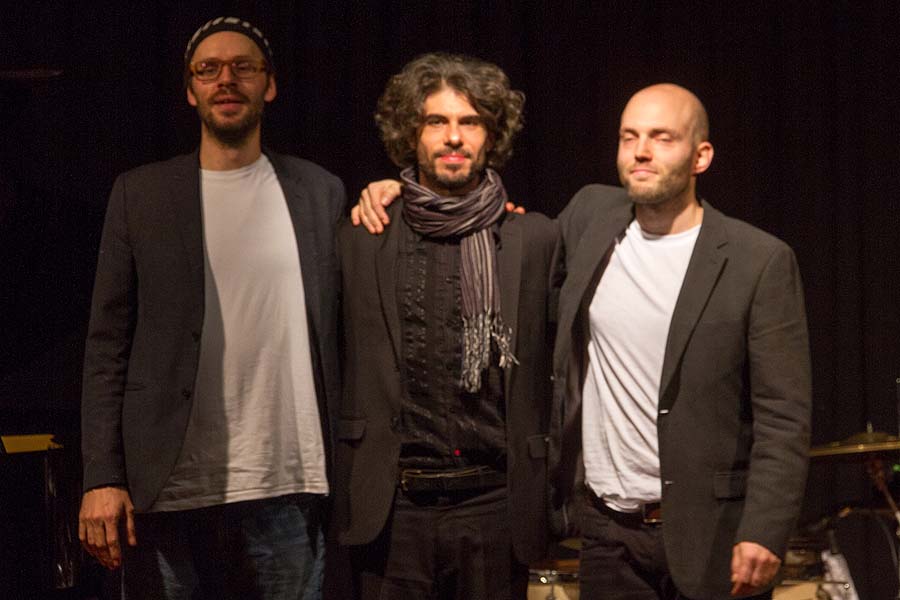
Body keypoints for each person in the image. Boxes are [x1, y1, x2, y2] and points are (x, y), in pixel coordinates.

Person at [352, 83, 812, 599]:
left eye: (662, 138)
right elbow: (496, 228)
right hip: (606, 533)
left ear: (700, 156)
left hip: (711, 531)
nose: (641, 151)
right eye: (629, 137)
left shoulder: (758, 259)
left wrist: (765, 528)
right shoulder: (590, 217)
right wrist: (399, 189)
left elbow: (783, 414)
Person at [78, 16, 345, 599]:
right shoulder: (140, 194)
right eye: (209, 69)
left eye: (243, 67)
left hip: (289, 488)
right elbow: (106, 347)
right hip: (168, 491)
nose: (226, 80)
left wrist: (390, 193)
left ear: (269, 84)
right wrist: (101, 475)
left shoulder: (320, 191)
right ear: (190, 89)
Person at [334, 53, 557, 599]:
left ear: (491, 135)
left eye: (470, 121)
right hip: (393, 510)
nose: (453, 137)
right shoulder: (362, 237)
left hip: (495, 506)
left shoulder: (533, 239)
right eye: (436, 121)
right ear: (411, 133)